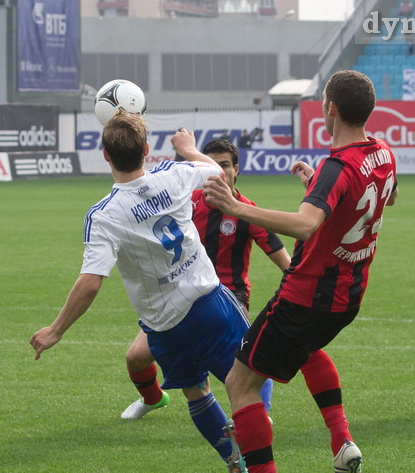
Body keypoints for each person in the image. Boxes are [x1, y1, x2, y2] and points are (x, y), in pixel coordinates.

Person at [204, 70, 398, 473]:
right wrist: (319, 186)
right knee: (307, 352)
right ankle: (341, 440)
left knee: (239, 382)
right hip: (348, 297)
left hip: (307, 294)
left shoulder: (339, 167)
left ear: (329, 109)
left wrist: (236, 206)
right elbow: (381, 199)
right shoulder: (384, 152)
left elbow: (308, 224)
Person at [31, 115, 254, 473]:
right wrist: (189, 150)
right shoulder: (172, 174)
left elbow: (91, 281)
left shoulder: (103, 215)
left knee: (196, 392)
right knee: (244, 383)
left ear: (105, 155)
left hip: (166, 325)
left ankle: (234, 463)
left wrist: (56, 330)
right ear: (147, 151)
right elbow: (215, 171)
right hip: (210, 302)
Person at [119, 139, 291, 429]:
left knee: (243, 363)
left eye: (224, 165)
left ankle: (260, 412)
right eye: (210, 165)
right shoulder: (184, 204)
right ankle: (153, 399)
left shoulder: (247, 211)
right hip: (181, 293)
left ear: (236, 170)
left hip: (230, 297)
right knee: (135, 358)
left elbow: (285, 262)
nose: (216, 173)